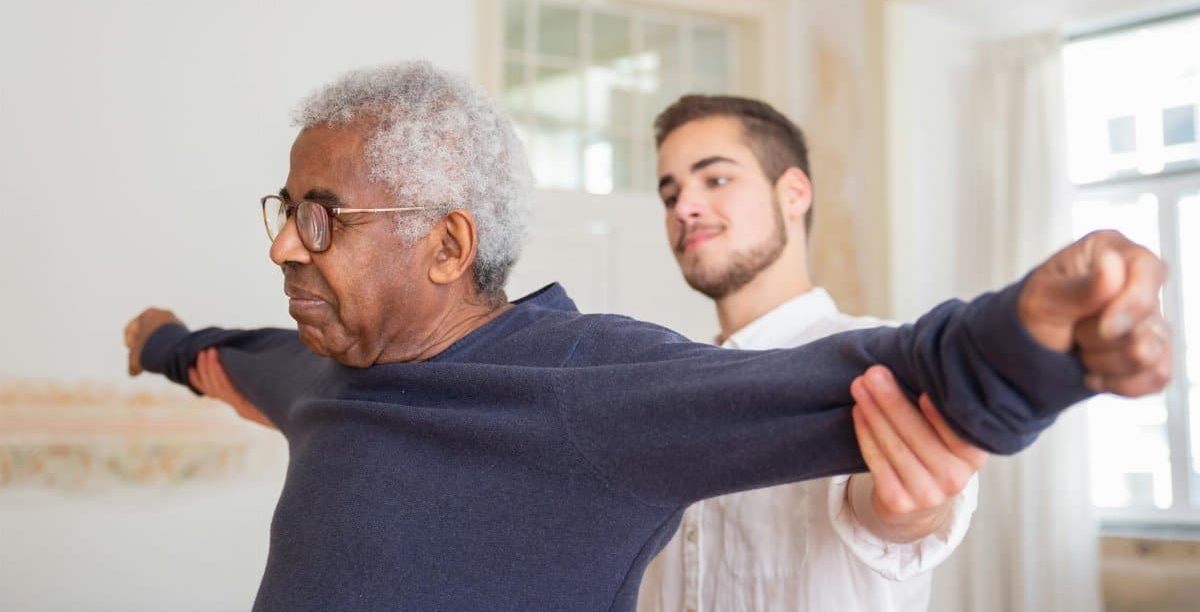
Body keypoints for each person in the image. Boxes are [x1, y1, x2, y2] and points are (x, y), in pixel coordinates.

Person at [123, 61, 1171, 612]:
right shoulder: (317, 371)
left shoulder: (587, 384)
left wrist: (1037, 340)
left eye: (323, 219)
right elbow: (229, 360)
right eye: (286, 212)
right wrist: (165, 340)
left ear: (447, 246)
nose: (286, 252)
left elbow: (851, 379)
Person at [640, 95, 984, 612]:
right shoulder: (661, 388)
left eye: (714, 179)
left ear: (794, 193)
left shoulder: (883, 361)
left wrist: (912, 511)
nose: (684, 207)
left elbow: (895, 520)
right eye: (670, 195)